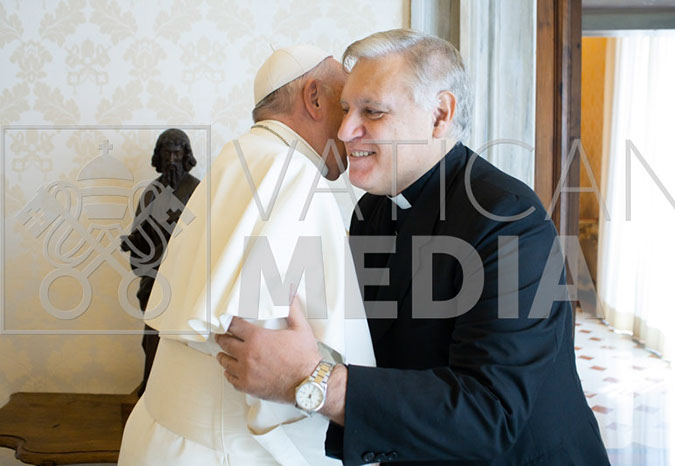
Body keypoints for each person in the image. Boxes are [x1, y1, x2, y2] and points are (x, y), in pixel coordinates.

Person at [215, 29, 610, 465]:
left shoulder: (509, 220)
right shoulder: (371, 210)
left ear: (440, 115)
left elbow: (489, 413)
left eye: (372, 111)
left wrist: (314, 381)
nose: (345, 130)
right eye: (345, 108)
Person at [118, 45, 375, 465]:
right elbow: (271, 368)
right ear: (313, 97)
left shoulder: (236, 156)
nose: (350, 129)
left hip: (165, 437)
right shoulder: (293, 174)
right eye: (345, 106)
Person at [120, 128, 200, 393]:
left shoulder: (197, 190)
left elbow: (207, 234)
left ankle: (181, 389)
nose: (172, 160)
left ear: (186, 155)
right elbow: (141, 235)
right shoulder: (151, 193)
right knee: (153, 335)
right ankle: (152, 387)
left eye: (177, 153)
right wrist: (133, 242)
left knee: (183, 338)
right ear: (159, 156)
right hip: (155, 275)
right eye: (167, 154)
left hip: (186, 274)